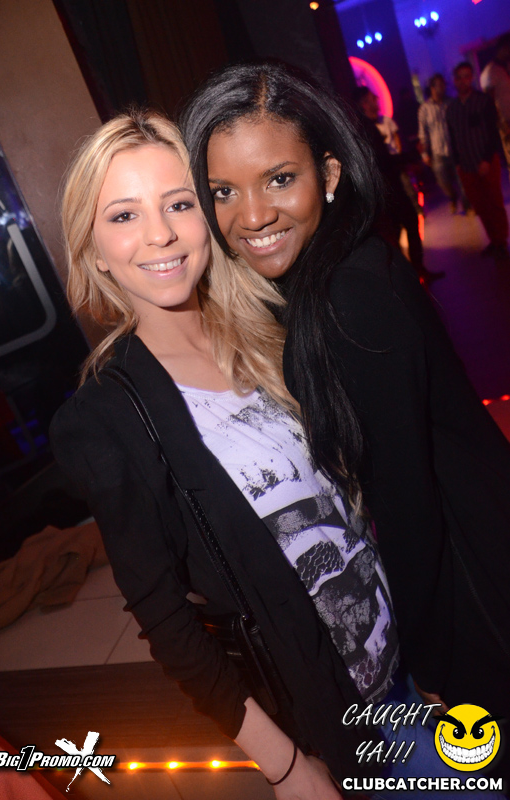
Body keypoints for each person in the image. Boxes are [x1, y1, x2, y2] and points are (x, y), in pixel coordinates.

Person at [49, 109, 406, 799]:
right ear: (93, 250)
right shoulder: (104, 418)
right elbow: (168, 623)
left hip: (412, 654)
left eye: (179, 203)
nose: (160, 233)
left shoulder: (275, 321)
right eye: (123, 216)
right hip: (340, 715)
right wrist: (286, 766)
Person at [181, 61, 510, 783]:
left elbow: (408, 507)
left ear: (328, 174)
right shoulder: (333, 270)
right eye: (223, 191)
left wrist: (426, 663)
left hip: (472, 582)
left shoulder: (347, 298)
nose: (251, 216)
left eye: (278, 179)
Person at [351, 86, 438, 283]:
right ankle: (412, 274)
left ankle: (409, 275)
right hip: (388, 188)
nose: (377, 100)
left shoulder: (366, 127)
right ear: (364, 103)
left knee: (398, 229)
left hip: (386, 187)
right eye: (372, 98)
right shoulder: (367, 129)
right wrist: (411, 156)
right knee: (406, 225)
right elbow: (383, 161)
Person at [446, 61, 509, 259]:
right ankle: (493, 239)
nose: (463, 81)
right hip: (466, 165)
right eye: (460, 77)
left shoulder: (483, 101)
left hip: (486, 161)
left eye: (467, 76)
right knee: (480, 205)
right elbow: (453, 137)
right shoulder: (452, 108)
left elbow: (492, 132)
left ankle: (501, 241)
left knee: (494, 202)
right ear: (455, 80)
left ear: (472, 78)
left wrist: (487, 159)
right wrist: (457, 163)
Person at [418, 74, 470, 213]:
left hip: (455, 149)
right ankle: (452, 197)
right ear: (432, 88)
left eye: (443, 84)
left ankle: (467, 205)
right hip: (437, 152)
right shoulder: (425, 109)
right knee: (443, 182)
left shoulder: (451, 103)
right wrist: (425, 154)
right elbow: (423, 132)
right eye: (440, 85)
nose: (443, 87)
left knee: (462, 180)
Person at [480, 34, 510, 178]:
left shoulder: (504, 68)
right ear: (503, 48)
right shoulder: (491, 71)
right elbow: (489, 103)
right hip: (506, 123)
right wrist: (501, 125)